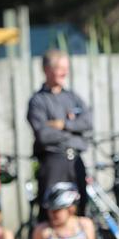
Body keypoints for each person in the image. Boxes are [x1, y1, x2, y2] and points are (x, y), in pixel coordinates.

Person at [27, 50, 92, 218]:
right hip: (53, 162)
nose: (64, 72)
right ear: (46, 70)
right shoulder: (38, 101)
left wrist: (63, 125)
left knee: (80, 212)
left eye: (66, 68)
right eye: (59, 68)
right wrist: (74, 134)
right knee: (51, 213)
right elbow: (44, 135)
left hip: (75, 161)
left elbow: (87, 123)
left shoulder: (72, 97)